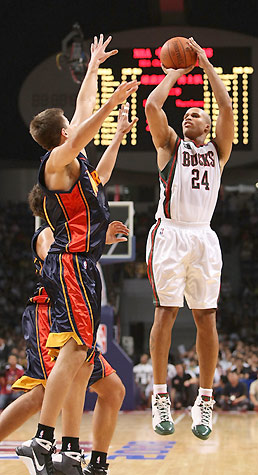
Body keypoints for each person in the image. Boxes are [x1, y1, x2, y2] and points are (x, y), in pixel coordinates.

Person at [16, 33, 138, 475]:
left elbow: (85, 118)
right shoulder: (54, 161)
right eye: (72, 125)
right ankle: (45, 440)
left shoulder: (77, 164)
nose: (78, 123)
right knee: (77, 346)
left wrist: (93, 70)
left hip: (84, 263)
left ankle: (73, 452)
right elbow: (86, 121)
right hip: (69, 263)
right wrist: (113, 104)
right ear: (63, 134)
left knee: (86, 357)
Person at [6, 181, 128, 474]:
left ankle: (94, 464)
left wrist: (98, 238)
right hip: (50, 315)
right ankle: (65, 449)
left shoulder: (76, 237)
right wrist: (96, 236)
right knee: (39, 396)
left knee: (113, 390)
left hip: (75, 319)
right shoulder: (49, 235)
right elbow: (58, 264)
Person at [145, 37, 234, 440]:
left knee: (206, 318)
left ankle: (205, 400)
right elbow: (152, 107)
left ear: (206, 124)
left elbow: (227, 108)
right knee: (166, 313)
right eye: (186, 115)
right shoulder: (170, 146)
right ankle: (160, 395)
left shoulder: (218, 150)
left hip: (203, 237)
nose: (188, 118)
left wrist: (207, 65)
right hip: (170, 233)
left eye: (196, 114)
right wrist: (176, 73)